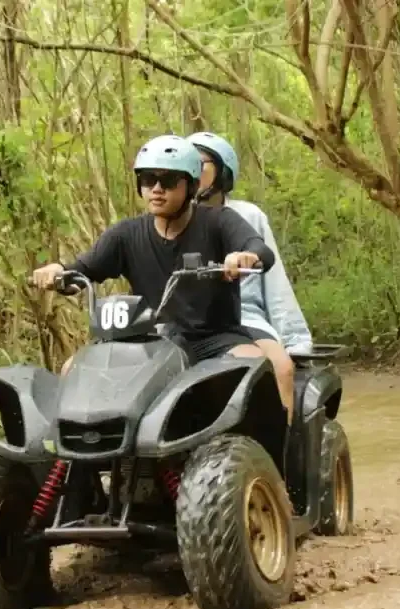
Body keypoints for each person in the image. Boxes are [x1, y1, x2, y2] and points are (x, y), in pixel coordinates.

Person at [31, 134, 295, 420]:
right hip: (150, 342)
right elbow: (82, 269)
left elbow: (259, 249)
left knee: (257, 367)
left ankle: (279, 447)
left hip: (215, 339)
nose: (156, 189)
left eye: (168, 181)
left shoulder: (219, 221)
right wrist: (57, 271)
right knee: (72, 369)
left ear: (191, 185)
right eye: (148, 180)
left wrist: (245, 256)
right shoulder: (125, 234)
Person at [186, 131, 313, 420]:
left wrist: (294, 340)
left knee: (280, 368)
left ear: (223, 172)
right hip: (185, 321)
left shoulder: (249, 216)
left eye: (199, 163)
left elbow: (275, 282)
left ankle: (280, 445)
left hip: (244, 318)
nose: (190, 171)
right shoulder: (173, 219)